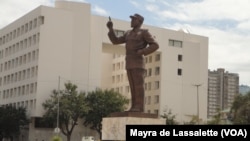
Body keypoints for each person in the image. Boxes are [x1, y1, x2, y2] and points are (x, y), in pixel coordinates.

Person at [107, 13, 159, 112]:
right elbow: (116, 41)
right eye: (131, 19)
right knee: (132, 86)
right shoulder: (128, 33)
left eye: (133, 20)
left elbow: (155, 45)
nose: (131, 21)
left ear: (139, 21)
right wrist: (110, 29)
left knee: (138, 85)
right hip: (129, 62)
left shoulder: (144, 33)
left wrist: (143, 52)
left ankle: (139, 107)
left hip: (138, 63)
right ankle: (134, 106)